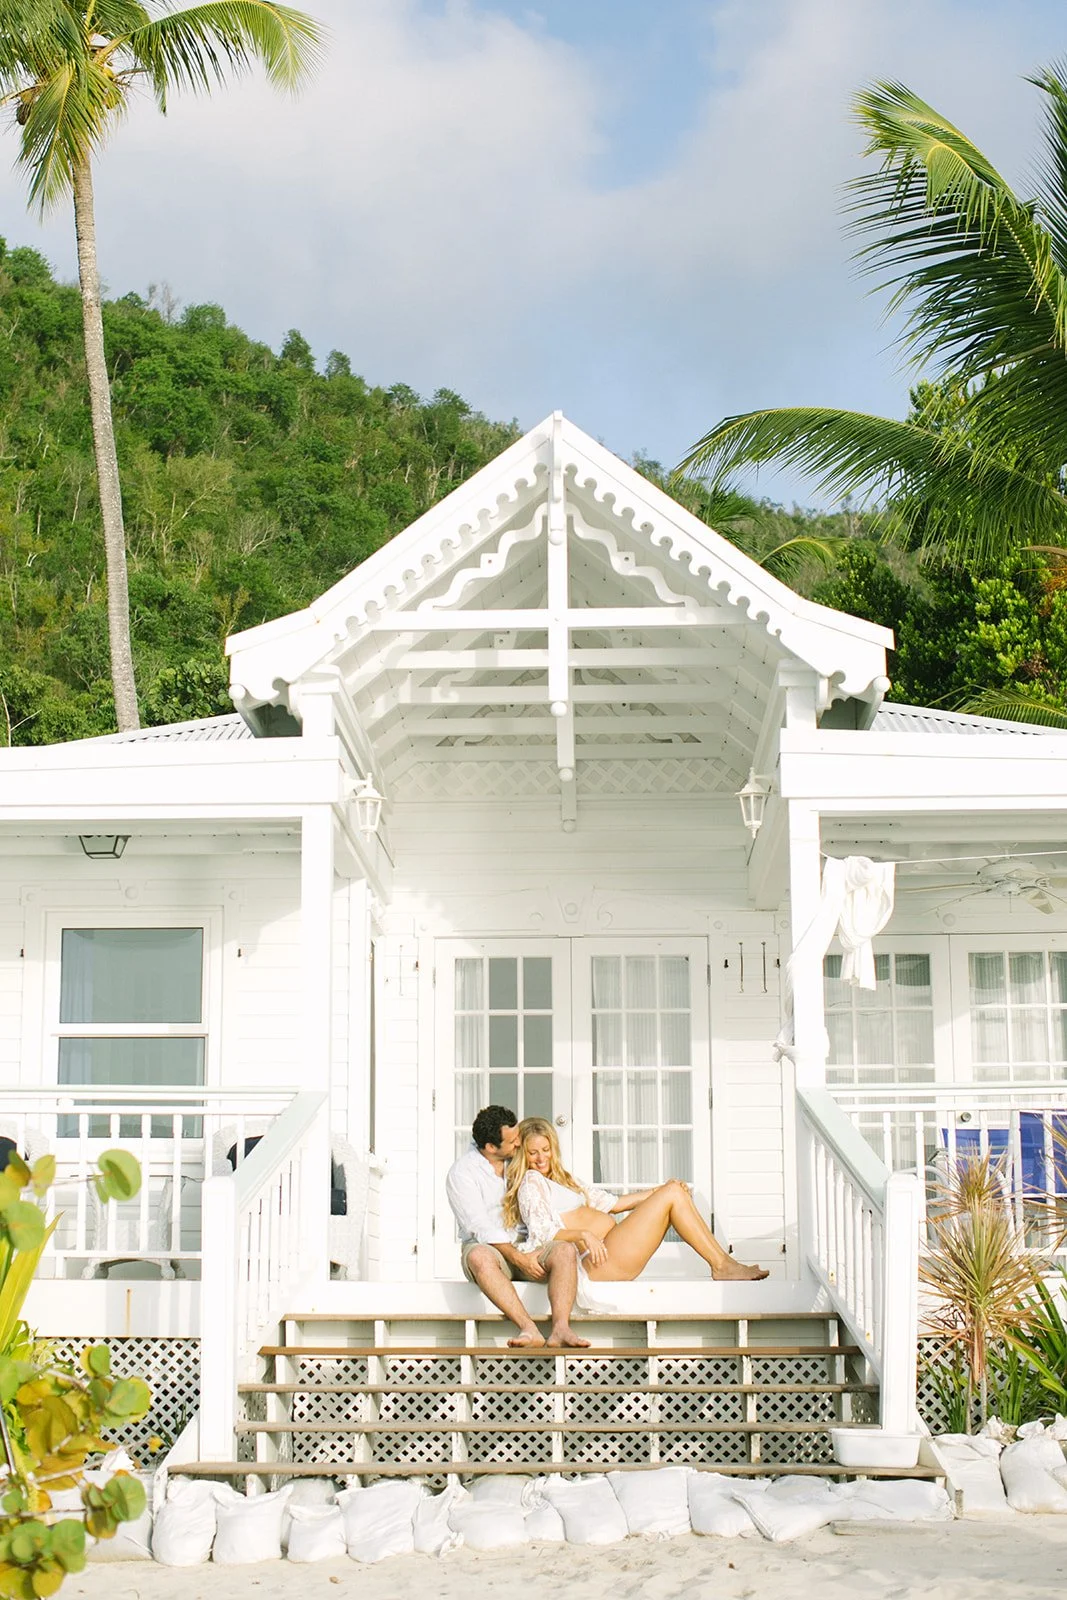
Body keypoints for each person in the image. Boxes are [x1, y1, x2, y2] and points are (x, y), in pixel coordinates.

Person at [503, 1117, 769, 1288]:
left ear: (554, 1149)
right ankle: (723, 1266)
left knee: (673, 1191)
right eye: (533, 1152)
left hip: (609, 1247)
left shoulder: (565, 1179)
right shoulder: (531, 1181)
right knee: (672, 1195)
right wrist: (583, 1235)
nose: (541, 1158)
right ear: (523, 1155)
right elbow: (541, 1232)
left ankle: (723, 1263)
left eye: (546, 1150)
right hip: (594, 1259)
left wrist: (660, 1189)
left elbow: (614, 1204)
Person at [445, 1105, 590, 1349]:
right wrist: (517, 1258)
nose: (518, 1143)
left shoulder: (518, 1161)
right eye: (512, 1141)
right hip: (490, 1249)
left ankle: (561, 1329)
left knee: (564, 1250)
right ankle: (528, 1328)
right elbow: (479, 1226)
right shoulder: (462, 1173)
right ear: (491, 1147)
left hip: (528, 1243)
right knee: (479, 1256)